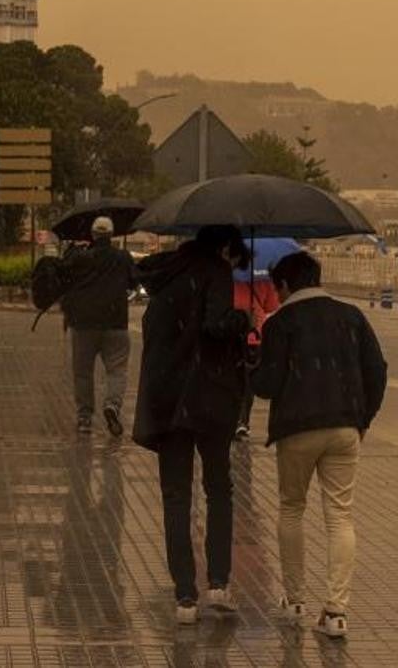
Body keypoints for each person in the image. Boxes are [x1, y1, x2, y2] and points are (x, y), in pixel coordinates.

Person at [251, 251, 387, 639]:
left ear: (284, 285)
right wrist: (362, 419)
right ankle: (336, 611)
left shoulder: (281, 323)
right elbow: (377, 371)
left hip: (297, 428)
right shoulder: (352, 316)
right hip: (345, 427)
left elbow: (267, 386)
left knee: (292, 508)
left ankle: (295, 600)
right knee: (340, 514)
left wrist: (251, 362)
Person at [133, 225, 252, 625]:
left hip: (167, 399)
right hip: (208, 397)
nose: (233, 266)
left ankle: (184, 597)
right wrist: (240, 319)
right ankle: (217, 584)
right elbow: (214, 326)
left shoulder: (164, 274)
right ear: (224, 248)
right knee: (219, 488)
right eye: (235, 258)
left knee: (176, 497)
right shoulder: (214, 270)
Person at [60, 216, 135, 438]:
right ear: (111, 236)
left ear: (92, 234)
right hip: (116, 323)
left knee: (83, 372)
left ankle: (84, 418)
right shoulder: (123, 258)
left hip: (84, 324)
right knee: (117, 370)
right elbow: (134, 282)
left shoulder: (80, 257)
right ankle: (112, 405)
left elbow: (65, 277)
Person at [233, 269, 281, 440]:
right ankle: (242, 421)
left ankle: (228, 418)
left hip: (230, 332)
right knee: (248, 377)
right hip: (254, 334)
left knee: (228, 375)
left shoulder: (228, 275)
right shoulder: (264, 278)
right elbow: (272, 306)